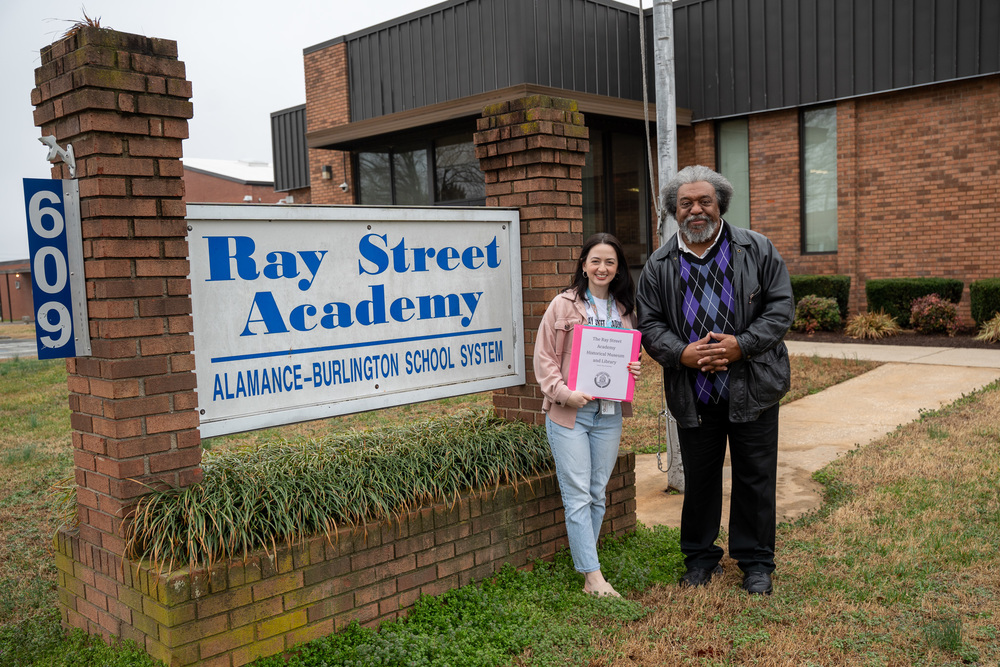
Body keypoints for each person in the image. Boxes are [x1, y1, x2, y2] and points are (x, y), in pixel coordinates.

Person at [636, 165, 794, 596]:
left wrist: (741, 344)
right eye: (685, 203)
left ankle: (756, 562)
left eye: (704, 200)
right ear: (673, 211)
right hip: (695, 393)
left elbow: (780, 309)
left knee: (755, 477)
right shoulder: (659, 265)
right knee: (701, 480)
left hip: (753, 389)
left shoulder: (757, 249)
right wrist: (680, 353)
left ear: (720, 204)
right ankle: (700, 559)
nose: (696, 209)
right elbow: (649, 325)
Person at [533, 233, 642, 597]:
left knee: (597, 493)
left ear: (617, 268)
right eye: (595, 260)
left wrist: (633, 370)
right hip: (570, 416)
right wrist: (565, 394)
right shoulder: (562, 306)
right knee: (578, 494)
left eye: (610, 262)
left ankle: (586, 567)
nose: (602, 268)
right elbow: (544, 359)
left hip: (609, 415)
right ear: (583, 264)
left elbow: (626, 358)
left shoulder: (624, 310)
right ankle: (593, 578)